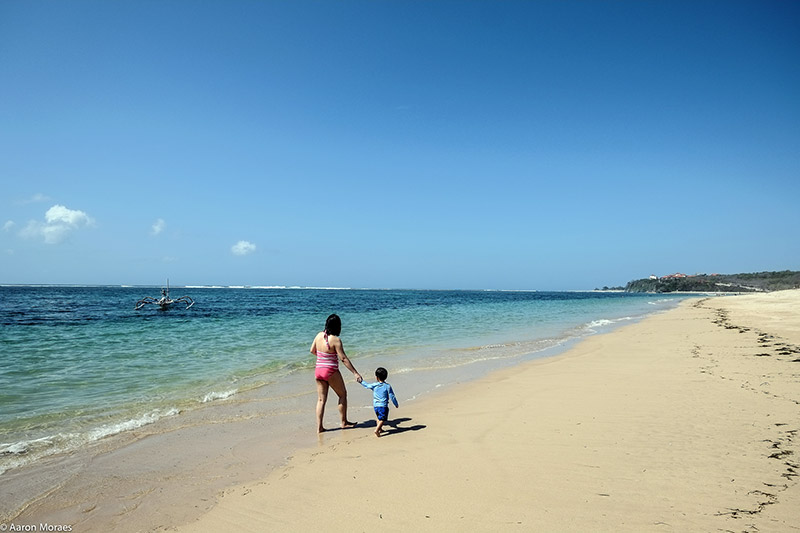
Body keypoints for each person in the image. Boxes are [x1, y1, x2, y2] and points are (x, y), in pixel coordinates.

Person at [310, 314, 362, 433]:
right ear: (337, 326)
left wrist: (323, 358)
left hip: (318, 370)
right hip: (330, 371)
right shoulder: (336, 340)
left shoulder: (319, 335)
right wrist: (355, 373)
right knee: (342, 394)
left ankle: (319, 428)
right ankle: (344, 422)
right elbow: (343, 358)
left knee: (321, 400)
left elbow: (312, 350)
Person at [360, 367, 399, 437]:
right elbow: (392, 396)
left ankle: (380, 429)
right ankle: (377, 430)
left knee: (378, 418)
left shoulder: (374, 385)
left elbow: (367, 385)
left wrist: (361, 381)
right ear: (386, 377)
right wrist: (395, 403)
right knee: (382, 419)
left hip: (375, 406)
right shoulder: (387, 386)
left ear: (376, 377)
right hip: (383, 406)